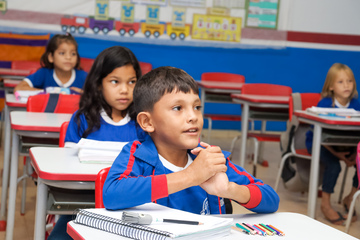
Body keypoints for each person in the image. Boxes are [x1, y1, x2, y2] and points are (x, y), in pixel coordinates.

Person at [103, 66, 279, 215]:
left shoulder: (208, 159)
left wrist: (230, 190)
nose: (193, 116)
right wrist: (190, 176)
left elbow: (271, 199)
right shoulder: (138, 155)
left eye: (196, 107)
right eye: (178, 108)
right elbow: (112, 194)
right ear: (148, 122)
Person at [48, 46, 147, 240]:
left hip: (129, 207)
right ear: (99, 83)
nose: (125, 90)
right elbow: (66, 168)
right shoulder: (82, 119)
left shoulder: (143, 123)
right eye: (114, 81)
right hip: (81, 205)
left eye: (132, 82)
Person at [306, 63, 359, 225]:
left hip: (346, 145)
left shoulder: (356, 105)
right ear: (331, 86)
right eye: (341, 82)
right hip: (320, 144)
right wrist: (338, 155)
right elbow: (318, 135)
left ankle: (349, 198)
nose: (346, 85)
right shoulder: (324, 104)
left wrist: (353, 155)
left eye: (349, 81)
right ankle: (325, 204)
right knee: (334, 166)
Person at [14, 33, 87, 93]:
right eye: (62, 53)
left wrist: (82, 93)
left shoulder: (83, 76)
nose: (68, 57)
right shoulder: (44, 73)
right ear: (51, 57)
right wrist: (49, 92)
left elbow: (97, 94)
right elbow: (19, 88)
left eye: (73, 54)